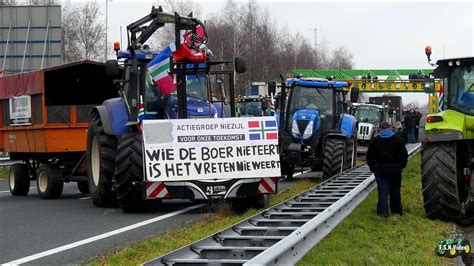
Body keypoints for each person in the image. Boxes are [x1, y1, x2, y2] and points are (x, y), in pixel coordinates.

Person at [366, 121, 408, 218]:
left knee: (383, 191)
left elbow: (369, 156)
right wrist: (401, 166)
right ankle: (396, 210)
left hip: (380, 170)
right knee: (395, 190)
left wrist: (372, 168)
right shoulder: (398, 139)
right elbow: (404, 155)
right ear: (390, 128)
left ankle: (383, 212)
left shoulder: (375, 140)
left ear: (380, 128)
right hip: (395, 169)